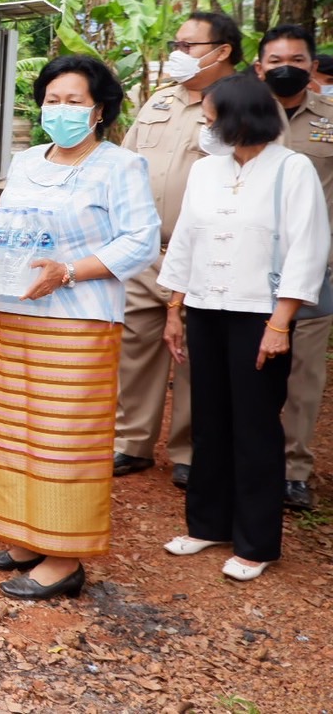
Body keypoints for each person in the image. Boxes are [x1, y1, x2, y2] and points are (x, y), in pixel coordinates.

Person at [0, 55, 161, 600]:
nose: (61, 109)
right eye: (52, 100)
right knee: (15, 428)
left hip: (80, 319)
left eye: (74, 101)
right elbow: (7, 228)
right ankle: (23, 538)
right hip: (19, 314)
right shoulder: (26, 160)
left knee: (65, 438)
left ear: (99, 110)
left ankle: (63, 557)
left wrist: (69, 272)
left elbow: (140, 242)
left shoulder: (120, 165)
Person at [158, 74, 329, 581]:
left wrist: (281, 323)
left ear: (240, 119)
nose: (206, 128)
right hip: (205, 307)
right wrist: (174, 308)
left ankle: (256, 542)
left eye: (211, 119)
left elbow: (308, 248)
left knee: (254, 425)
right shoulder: (206, 170)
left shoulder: (291, 169)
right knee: (208, 418)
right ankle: (208, 524)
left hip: (260, 311)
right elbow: (186, 238)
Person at [115, 11, 242, 486]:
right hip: (147, 247)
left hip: (209, 251)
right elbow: (127, 163)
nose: (177, 53)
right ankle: (131, 442)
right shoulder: (160, 100)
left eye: (188, 46)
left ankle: (191, 450)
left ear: (222, 50)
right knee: (136, 346)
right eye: (176, 44)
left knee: (195, 353)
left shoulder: (241, 103)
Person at [254, 25, 333, 511]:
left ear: (313, 66)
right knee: (241, 366)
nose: (287, 68)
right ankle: (229, 459)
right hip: (244, 267)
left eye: (298, 60)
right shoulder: (244, 116)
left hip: (313, 271)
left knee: (303, 374)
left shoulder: (331, 119)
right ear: (259, 67)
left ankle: (293, 470)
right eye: (276, 60)